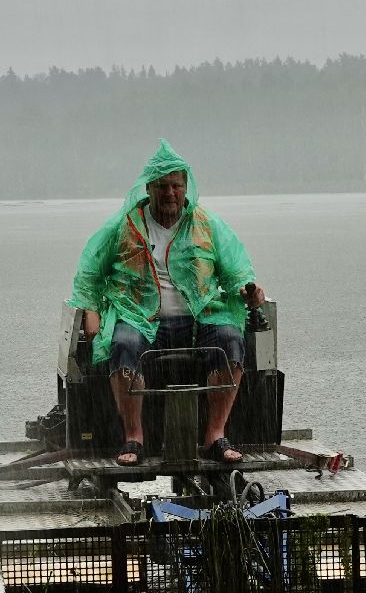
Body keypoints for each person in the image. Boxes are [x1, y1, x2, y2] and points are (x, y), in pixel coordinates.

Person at [69, 139, 266, 466]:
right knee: (122, 343)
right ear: (149, 188)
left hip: (199, 318)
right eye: (162, 186)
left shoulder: (205, 223)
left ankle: (215, 435)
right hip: (141, 317)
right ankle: (134, 436)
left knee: (231, 340)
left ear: (186, 187)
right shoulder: (126, 224)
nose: (170, 193)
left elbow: (236, 269)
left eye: (176, 185)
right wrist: (90, 309)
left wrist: (250, 291)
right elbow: (90, 269)